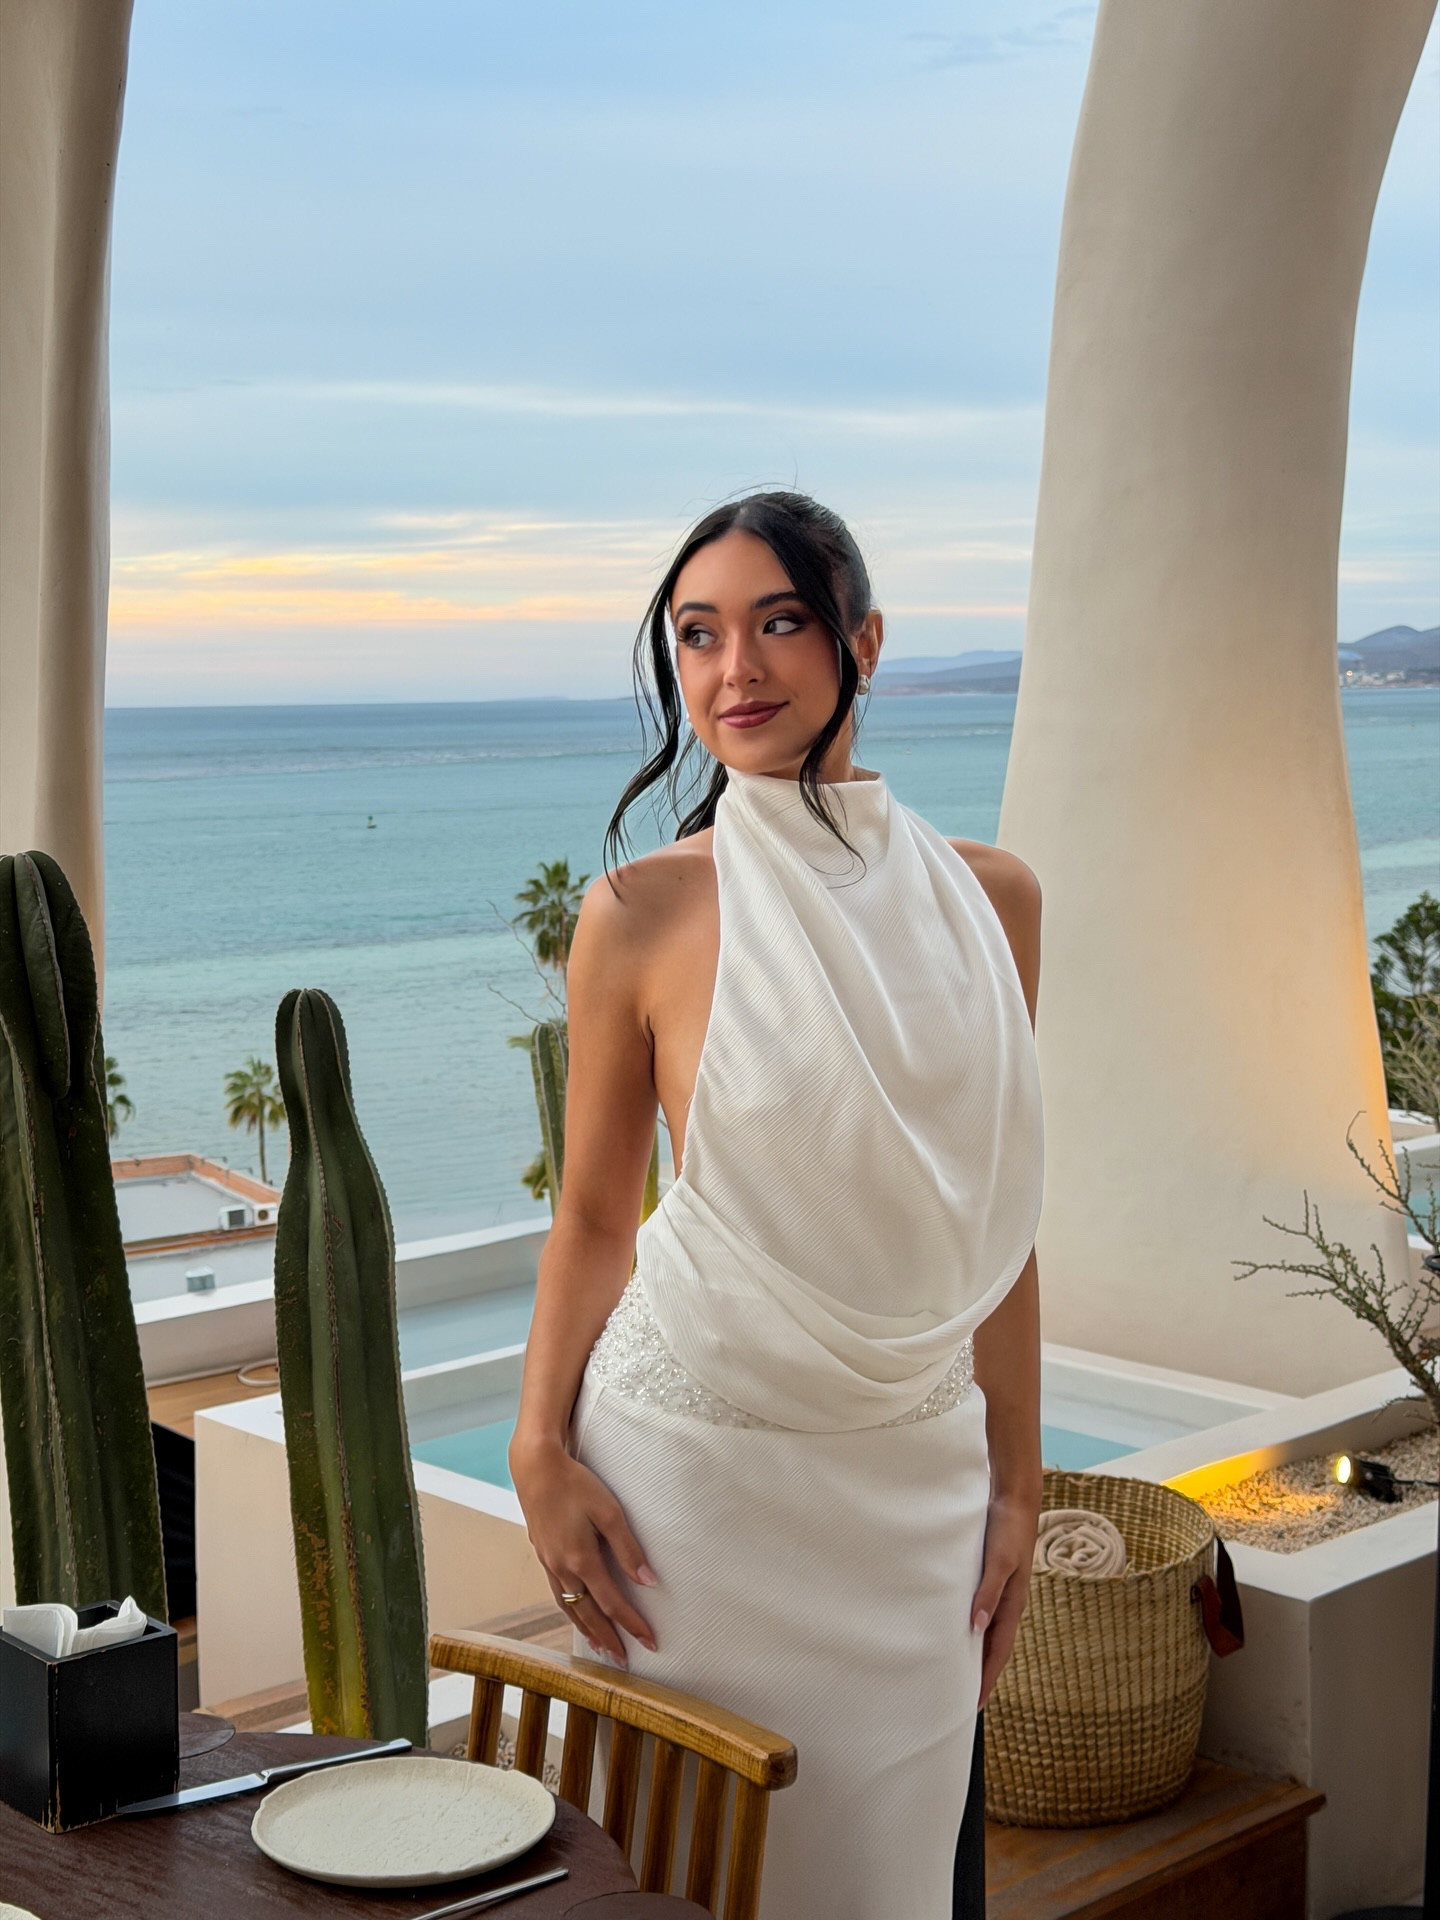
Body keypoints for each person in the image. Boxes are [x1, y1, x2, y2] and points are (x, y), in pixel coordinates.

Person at [510, 490, 1044, 1918]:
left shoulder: (998, 902)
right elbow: (595, 1219)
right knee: (690, 1889)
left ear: (863, 638)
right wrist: (536, 1448)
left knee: (888, 1889)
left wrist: (1017, 1476)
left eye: (777, 623)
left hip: (916, 1495)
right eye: (697, 636)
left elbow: (998, 1220)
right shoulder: (641, 913)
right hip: (691, 1493)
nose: (733, 670)